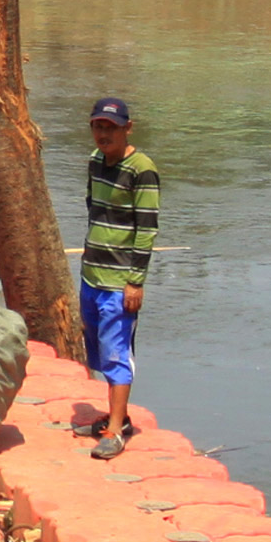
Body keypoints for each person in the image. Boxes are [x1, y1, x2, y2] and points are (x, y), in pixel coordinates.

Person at [78, 96, 160, 457]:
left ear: (128, 128)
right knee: (96, 349)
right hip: (92, 275)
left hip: (118, 282)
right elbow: (92, 207)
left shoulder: (142, 170)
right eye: (98, 126)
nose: (103, 134)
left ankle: (115, 430)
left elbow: (146, 230)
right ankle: (116, 416)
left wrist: (135, 281)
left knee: (116, 353)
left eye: (110, 127)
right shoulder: (95, 162)